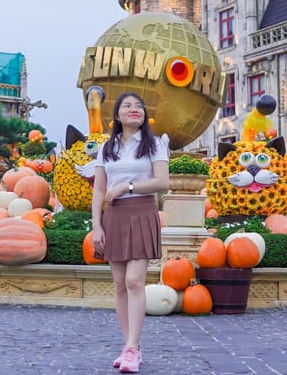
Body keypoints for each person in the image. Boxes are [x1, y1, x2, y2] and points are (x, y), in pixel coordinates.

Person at [90, 92, 169, 374]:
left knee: (135, 280)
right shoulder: (106, 147)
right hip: (114, 217)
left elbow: (162, 181)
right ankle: (128, 346)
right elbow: (99, 190)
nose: (134, 109)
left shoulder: (153, 144)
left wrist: (129, 187)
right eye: (127, 105)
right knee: (120, 284)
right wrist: (96, 224)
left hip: (141, 212)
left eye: (139, 106)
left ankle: (133, 348)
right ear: (117, 114)